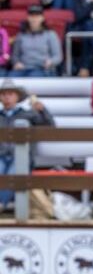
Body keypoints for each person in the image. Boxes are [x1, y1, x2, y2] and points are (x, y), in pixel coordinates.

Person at [0, 79, 54, 211]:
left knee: (13, 175)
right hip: (1, 155)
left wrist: (42, 110)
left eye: (10, 94)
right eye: (4, 94)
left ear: (17, 97)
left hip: (22, 157)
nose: (7, 97)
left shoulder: (28, 114)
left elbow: (50, 127)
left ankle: (1, 203)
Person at [9, 6, 62, 77]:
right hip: (23, 68)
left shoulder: (50, 34)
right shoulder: (21, 35)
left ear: (42, 18)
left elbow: (57, 56)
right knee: (9, 79)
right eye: (32, 16)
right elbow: (15, 55)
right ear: (28, 18)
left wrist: (50, 62)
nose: (34, 19)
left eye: (37, 16)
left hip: (42, 68)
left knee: (33, 76)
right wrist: (17, 63)